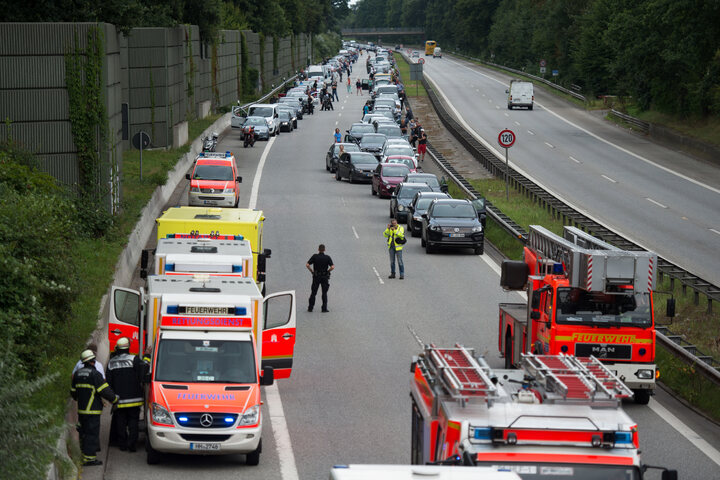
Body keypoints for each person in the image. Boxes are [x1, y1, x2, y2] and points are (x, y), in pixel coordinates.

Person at [71, 349, 118, 466]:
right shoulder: (95, 374)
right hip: (93, 410)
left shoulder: (77, 374)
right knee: (92, 434)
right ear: (92, 361)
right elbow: (104, 390)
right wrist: (114, 399)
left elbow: (73, 392)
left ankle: (84, 455)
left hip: (82, 411)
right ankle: (89, 459)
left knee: (84, 432)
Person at [106, 337, 145, 452]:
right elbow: (143, 373)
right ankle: (132, 445)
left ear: (117, 348)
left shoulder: (111, 363)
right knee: (133, 422)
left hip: (119, 400)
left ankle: (122, 445)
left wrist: (112, 397)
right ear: (128, 348)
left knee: (120, 423)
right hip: (135, 399)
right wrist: (147, 357)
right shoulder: (135, 359)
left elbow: (108, 382)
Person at [306, 244, 334, 312]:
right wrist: (328, 271)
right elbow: (332, 267)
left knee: (313, 292)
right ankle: (324, 308)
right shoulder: (327, 257)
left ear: (318, 249)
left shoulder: (315, 256)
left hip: (316, 277)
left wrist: (312, 271)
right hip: (324, 277)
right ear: (324, 250)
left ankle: (310, 308)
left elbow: (307, 265)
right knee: (324, 293)